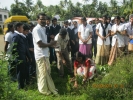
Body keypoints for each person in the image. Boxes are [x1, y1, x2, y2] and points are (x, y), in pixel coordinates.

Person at [32, 13, 58, 95]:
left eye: (44, 19)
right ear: (37, 20)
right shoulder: (36, 30)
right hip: (41, 55)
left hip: (44, 54)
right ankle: (44, 90)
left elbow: (44, 43)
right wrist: (51, 44)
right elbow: (40, 44)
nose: (43, 20)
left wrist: (52, 44)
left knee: (45, 72)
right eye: (41, 19)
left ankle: (46, 88)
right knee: (43, 73)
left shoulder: (43, 29)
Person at [12, 22, 31, 89]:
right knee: (20, 71)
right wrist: (18, 57)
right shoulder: (16, 36)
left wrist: (28, 56)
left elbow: (25, 48)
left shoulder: (20, 36)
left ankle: (23, 84)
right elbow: (14, 48)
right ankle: (20, 86)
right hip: (19, 57)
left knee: (23, 71)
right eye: (22, 27)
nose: (23, 29)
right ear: (18, 28)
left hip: (23, 56)